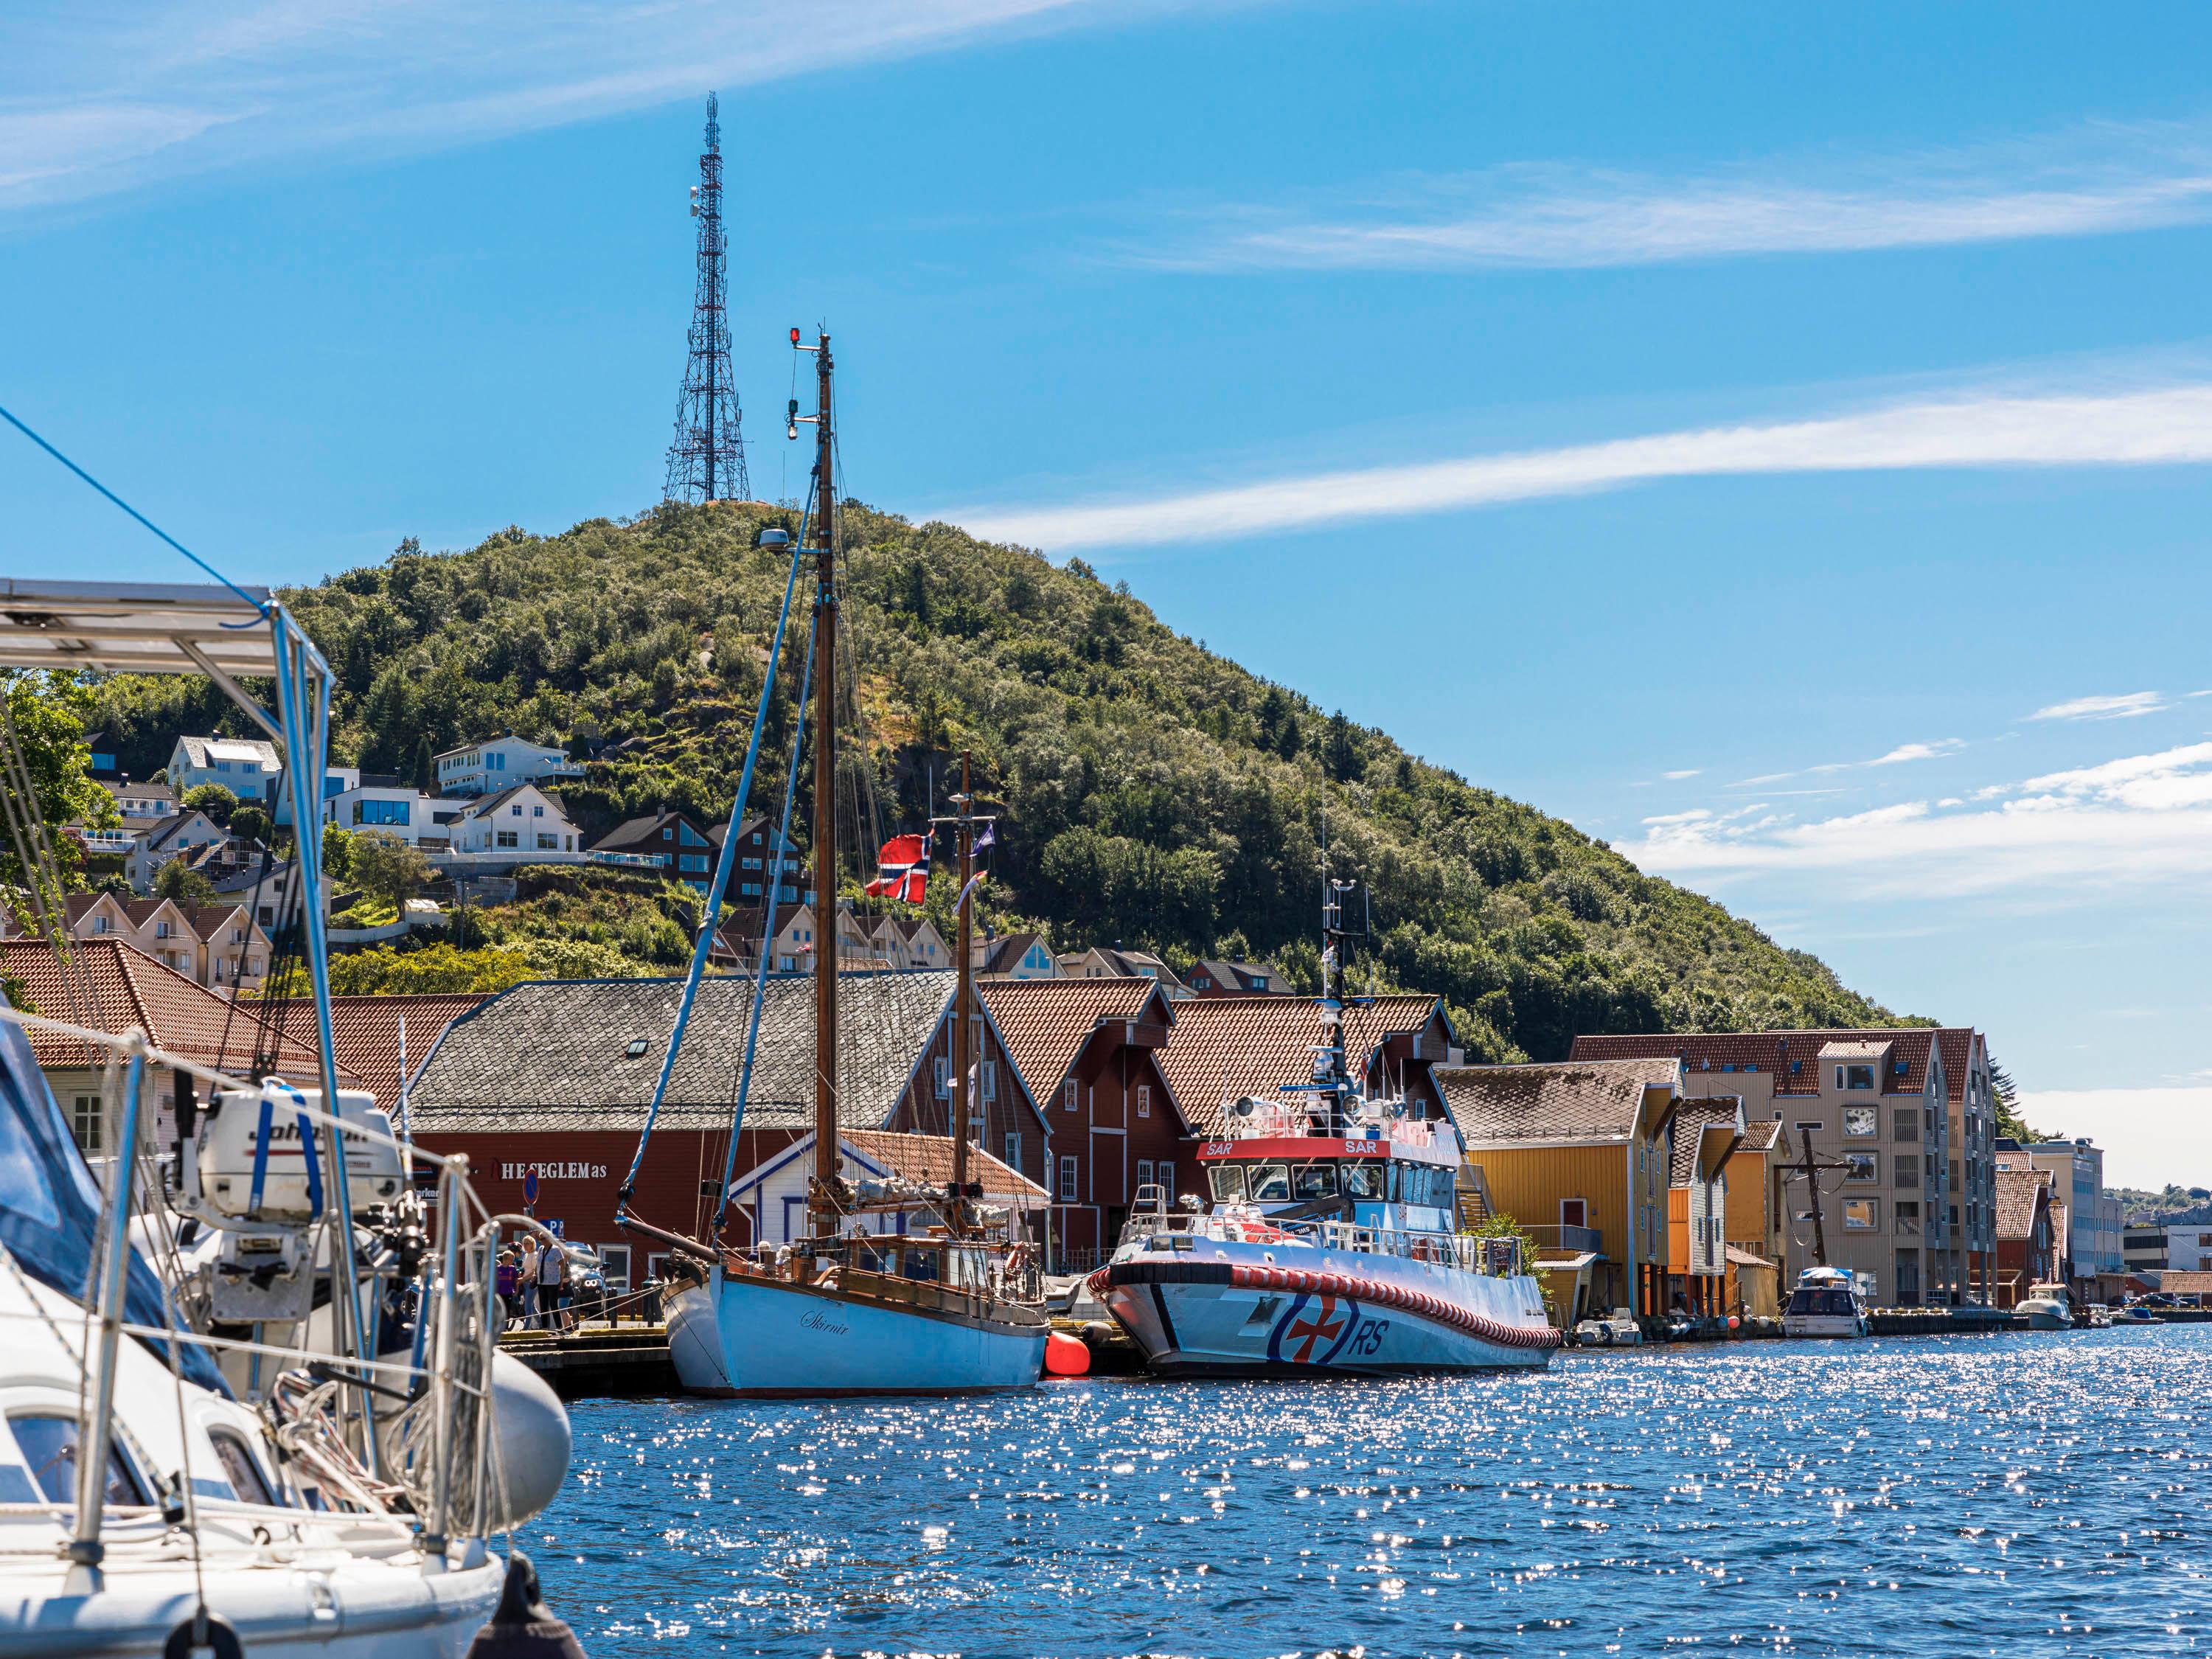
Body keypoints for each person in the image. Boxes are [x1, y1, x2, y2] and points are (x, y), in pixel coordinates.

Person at [538, 1233, 568, 1332]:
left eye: (543, 1239)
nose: (541, 1241)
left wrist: (561, 1281)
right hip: (541, 1282)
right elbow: (538, 1264)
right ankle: (545, 1328)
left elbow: (562, 1266)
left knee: (554, 1305)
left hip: (553, 1282)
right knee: (543, 1306)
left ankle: (559, 1327)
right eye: (540, 1239)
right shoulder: (540, 1250)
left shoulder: (556, 1250)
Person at [495, 1248, 522, 1329]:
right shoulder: (498, 1269)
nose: (512, 1261)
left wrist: (516, 1290)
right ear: (506, 1259)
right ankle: (498, 1326)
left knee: (507, 1309)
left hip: (508, 1292)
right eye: (511, 1259)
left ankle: (505, 1327)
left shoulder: (512, 1269)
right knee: (499, 1310)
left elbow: (515, 1280)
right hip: (499, 1292)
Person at [519, 1237, 541, 1330]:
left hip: (530, 1283)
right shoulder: (526, 1255)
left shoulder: (534, 1255)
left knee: (527, 1306)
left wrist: (524, 1278)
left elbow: (534, 1271)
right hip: (524, 1282)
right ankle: (541, 1323)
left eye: (527, 1243)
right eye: (524, 1243)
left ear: (532, 1244)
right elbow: (525, 1269)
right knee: (531, 1307)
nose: (525, 1245)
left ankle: (526, 1328)